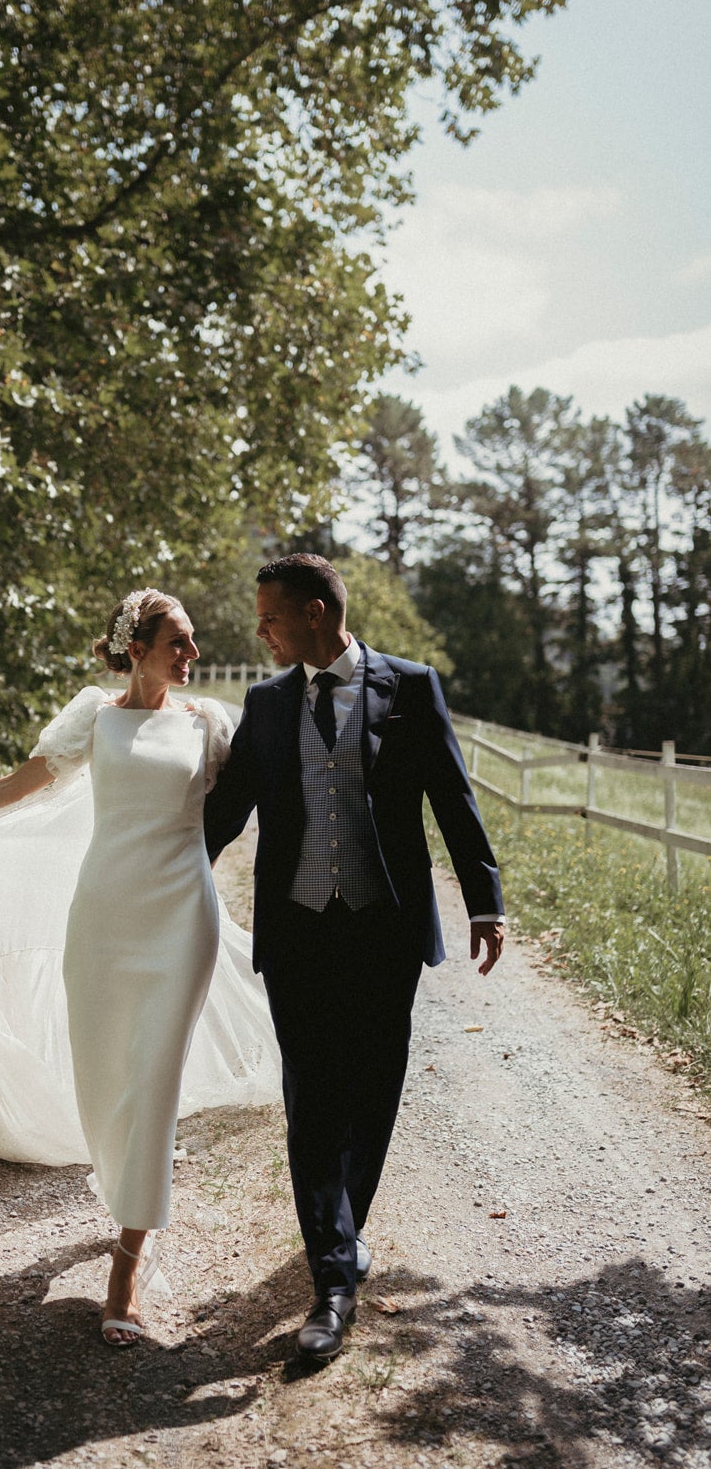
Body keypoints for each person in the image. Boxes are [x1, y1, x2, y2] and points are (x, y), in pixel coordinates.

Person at [0, 589, 279, 1347]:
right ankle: (123, 1189)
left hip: (180, 918)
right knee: (103, 1082)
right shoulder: (94, 713)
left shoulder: (211, 725)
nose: (191, 657)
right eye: (178, 643)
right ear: (136, 647)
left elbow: (264, 800)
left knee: (155, 1076)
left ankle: (129, 1259)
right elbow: (19, 787)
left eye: (192, 643)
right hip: (101, 917)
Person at [204, 553, 505, 1362]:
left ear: (313, 612)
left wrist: (485, 900)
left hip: (384, 928)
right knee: (311, 1100)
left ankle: (342, 1228)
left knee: (373, 1088)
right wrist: (155, 875)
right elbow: (226, 813)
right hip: (299, 927)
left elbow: (452, 795)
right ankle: (333, 1283)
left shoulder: (409, 686)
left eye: (269, 616)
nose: (260, 630)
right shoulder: (265, 703)